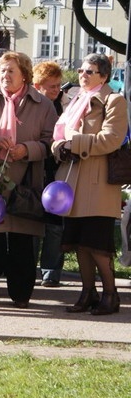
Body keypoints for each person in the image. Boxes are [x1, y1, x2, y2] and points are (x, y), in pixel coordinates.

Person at [0, 52, 57, 309]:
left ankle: (21, 295)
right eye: (2, 71)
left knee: (22, 241)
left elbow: (51, 142)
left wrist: (27, 149)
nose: (5, 76)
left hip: (24, 180)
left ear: (25, 74)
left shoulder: (43, 105)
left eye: (11, 71)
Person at [54, 53, 128, 315]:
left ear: (104, 75)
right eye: (81, 70)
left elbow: (111, 139)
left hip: (98, 184)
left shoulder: (114, 101)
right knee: (80, 243)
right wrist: (60, 148)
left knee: (98, 244)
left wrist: (75, 142)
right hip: (72, 182)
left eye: (89, 71)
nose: (82, 75)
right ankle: (88, 293)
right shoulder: (75, 99)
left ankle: (111, 295)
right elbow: (59, 134)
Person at [32, 61, 68, 287]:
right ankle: (28, 266)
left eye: (57, 86)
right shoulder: (32, 105)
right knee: (32, 222)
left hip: (58, 172)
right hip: (35, 169)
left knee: (55, 225)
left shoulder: (65, 105)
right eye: (51, 86)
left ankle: (51, 271)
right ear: (38, 86)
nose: (56, 90)